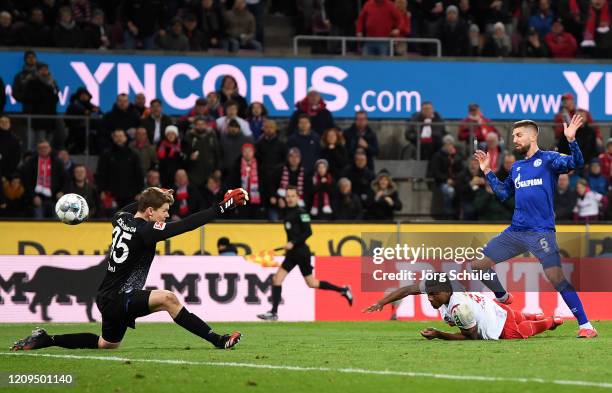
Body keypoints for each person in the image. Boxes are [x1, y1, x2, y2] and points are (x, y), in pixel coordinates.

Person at [11, 187, 248, 352]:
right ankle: (218, 340)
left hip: (107, 296)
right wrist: (222, 207)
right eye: (164, 210)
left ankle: (48, 339)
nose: (167, 216)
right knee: (168, 299)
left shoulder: (120, 216)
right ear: (149, 212)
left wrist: (156, 194)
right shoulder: (147, 231)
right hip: (119, 297)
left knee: (107, 344)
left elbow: (137, 205)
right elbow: (185, 225)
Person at [473, 115, 597, 338]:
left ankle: (586, 325)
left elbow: (576, 163)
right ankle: (502, 297)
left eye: (519, 135)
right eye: (513, 136)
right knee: (478, 265)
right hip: (516, 231)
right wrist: (487, 171)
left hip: (541, 232)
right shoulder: (518, 167)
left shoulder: (549, 159)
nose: (515, 140)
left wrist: (571, 141)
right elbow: (502, 193)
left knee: (556, 278)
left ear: (533, 136)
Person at [257, 186, 353, 321]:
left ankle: (343, 290)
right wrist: (289, 245)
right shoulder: (286, 212)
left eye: (292, 196)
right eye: (288, 196)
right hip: (292, 253)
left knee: (312, 283)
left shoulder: (301, 212)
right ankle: (273, 313)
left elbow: (308, 232)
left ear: (297, 197)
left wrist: (293, 242)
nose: (290, 199)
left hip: (302, 253)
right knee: (277, 279)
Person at [363, 277, 563, 340]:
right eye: (428, 294)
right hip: (494, 308)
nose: (429, 298)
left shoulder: (459, 309)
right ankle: (536, 315)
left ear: (443, 293)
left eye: (433, 295)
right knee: (519, 316)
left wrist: (439, 334)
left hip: (499, 325)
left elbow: (472, 337)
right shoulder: (443, 289)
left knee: (522, 330)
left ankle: (550, 321)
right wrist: (382, 302)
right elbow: (408, 289)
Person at [96, 129, 144, 210]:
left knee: (128, 218)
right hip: (111, 194)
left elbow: (139, 174)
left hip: (130, 194)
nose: (119, 138)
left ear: (125, 138)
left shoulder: (133, 154)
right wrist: (101, 190)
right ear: (113, 138)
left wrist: (140, 192)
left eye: (121, 136)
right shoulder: (106, 154)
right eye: (116, 136)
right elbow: (101, 173)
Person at [22, 140, 67, 218]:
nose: (43, 149)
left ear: (50, 148)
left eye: (45, 147)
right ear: (37, 149)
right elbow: (26, 181)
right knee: (38, 224)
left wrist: (62, 191)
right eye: (41, 148)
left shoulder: (57, 162)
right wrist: (33, 196)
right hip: (37, 199)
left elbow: (65, 179)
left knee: (56, 225)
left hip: (54, 199)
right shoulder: (31, 162)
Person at [184, 117, 221, 190]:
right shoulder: (189, 136)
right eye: (198, 124)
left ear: (206, 125)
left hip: (210, 173)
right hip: (194, 174)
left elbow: (217, 153)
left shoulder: (211, 135)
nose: (200, 126)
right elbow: (185, 155)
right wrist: (189, 158)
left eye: (202, 124)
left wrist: (218, 168)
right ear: (194, 125)